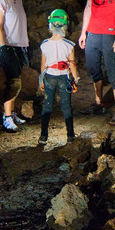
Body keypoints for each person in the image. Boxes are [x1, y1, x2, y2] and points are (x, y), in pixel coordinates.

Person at [0, 0, 30, 132]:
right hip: (7, 46)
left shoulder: (18, 1)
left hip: (18, 47)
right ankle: (7, 118)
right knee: (13, 82)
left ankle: (11, 113)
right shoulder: (1, 0)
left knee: (16, 81)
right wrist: (3, 46)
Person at [38, 8, 79, 144]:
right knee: (66, 106)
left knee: (47, 106)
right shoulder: (69, 45)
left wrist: (41, 81)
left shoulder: (44, 45)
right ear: (65, 26)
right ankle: (70, 136)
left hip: (49, 76)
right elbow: (72, 65)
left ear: (50, 25)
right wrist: (75, 79)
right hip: (63, 77)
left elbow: (43, 65)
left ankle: (43, 136)